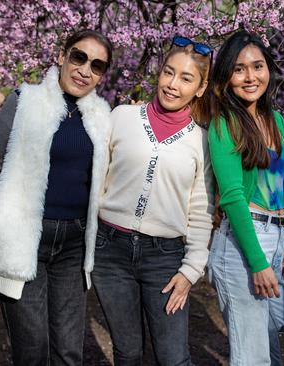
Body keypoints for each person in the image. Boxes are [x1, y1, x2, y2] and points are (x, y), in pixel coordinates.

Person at [0, 30, 113, 365]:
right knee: (32, 347)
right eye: (79, 57)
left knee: (69, 349)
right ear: (62, 56)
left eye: (97, 66)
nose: (85, 70)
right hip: (25, 238)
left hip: (73, 243)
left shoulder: (103, 117)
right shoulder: (24, 100)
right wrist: (4, 214)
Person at [91, 36, 214, 365]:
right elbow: (96, 183)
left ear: (200, 88)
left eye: (186, 78)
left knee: (173, 357)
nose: (173, 85)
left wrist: (191, 270)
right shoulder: (121, 117)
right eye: (168, 73)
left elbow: (201, 213)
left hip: (164, 259)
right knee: (128, 353)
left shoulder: (201, 141)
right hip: (110, 252)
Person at [206, 30, 284, 366]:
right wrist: (258, 262)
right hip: (243, 243)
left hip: (280, 239)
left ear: (269, 70)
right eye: (239, 69)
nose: (250, 77)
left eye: (257, 66)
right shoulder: (224, 124)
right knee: (253, 357)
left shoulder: (276, 120)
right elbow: (233, 197)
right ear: (226, 77)